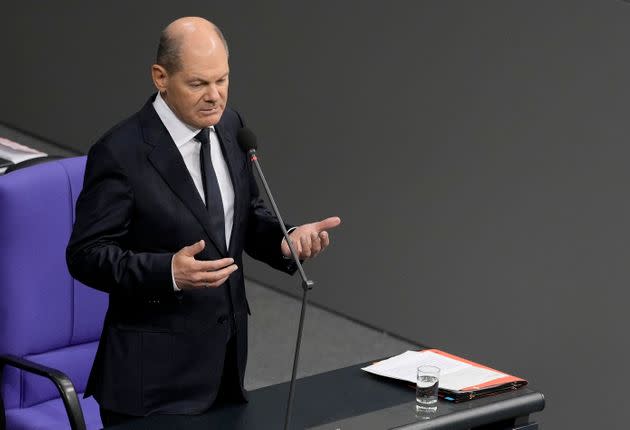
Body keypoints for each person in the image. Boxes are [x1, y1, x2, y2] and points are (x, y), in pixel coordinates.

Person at [66, 16, 340, 427]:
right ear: (161, 77)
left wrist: (284, 240)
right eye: (198, 84)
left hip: (225, 366)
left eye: (222, 80)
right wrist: (168, 272)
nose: (215, 96)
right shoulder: (120, 153)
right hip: (151, 385)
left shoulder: (231, 126)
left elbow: (244, 213)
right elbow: (85, 255)